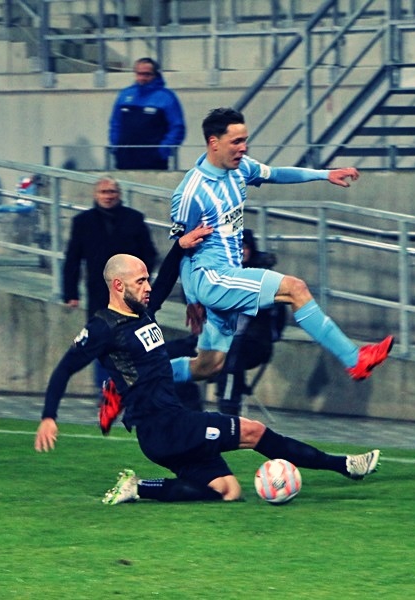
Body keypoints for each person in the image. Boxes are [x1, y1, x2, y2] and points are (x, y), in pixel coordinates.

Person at [34, 253, 380, 504]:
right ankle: (345, 466)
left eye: (147, 279)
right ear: (118, 285)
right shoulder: (101, 328)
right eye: (141, 281)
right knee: (254, 431)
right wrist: (49, 416)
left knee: (226, 491)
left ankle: (139, 487)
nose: (149, 286)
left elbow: (167, 276)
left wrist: (182, 244)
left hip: (165, 432)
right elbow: (65, 368)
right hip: (166, 427)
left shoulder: (142, 313)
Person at [169, 107, 394, 386]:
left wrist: (325, 174)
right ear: (214, 143)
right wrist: (191, 297)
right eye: (236, 142)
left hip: (228, 277)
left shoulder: (241, 170)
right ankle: (354, 359)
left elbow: (276, 173)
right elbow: (181, 249)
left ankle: (129, 381)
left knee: (208, 366)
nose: (244, 147)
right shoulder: (191, 193)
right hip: (213, 279)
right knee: (294, 288)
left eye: (245, 140)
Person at [63, 176, 159, 388]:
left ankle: (130, 389)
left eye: (112, 192)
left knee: (131, 340)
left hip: (130, 295)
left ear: (119, 194)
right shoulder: (82, 222)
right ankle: (105, 390)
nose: (108, 196)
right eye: (104, 192)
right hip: (99, 294)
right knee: (101, 341)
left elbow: (149, 254)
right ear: (95, 195)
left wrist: (140, 282)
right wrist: (70, 293)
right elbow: (73, 258)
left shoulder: (134, 219)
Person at [213, 229, 287, 415]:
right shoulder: (220, 272)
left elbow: (277, 311)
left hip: (253, 341)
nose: (241, 252)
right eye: (237, 248)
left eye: (245, 247)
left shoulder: (262, 276)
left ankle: (228, 407)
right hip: (219, 338)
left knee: (233, 352)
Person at [108, 57, 185, 170]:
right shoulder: (125, 95)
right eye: (139, 74)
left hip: (154, 161)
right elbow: (115, 124)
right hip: (124, 159)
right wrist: (116, 146)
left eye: (147, 74)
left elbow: (177, 128)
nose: (142, 78)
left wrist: (162, 152)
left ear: (155, 74)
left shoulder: (166, 97)